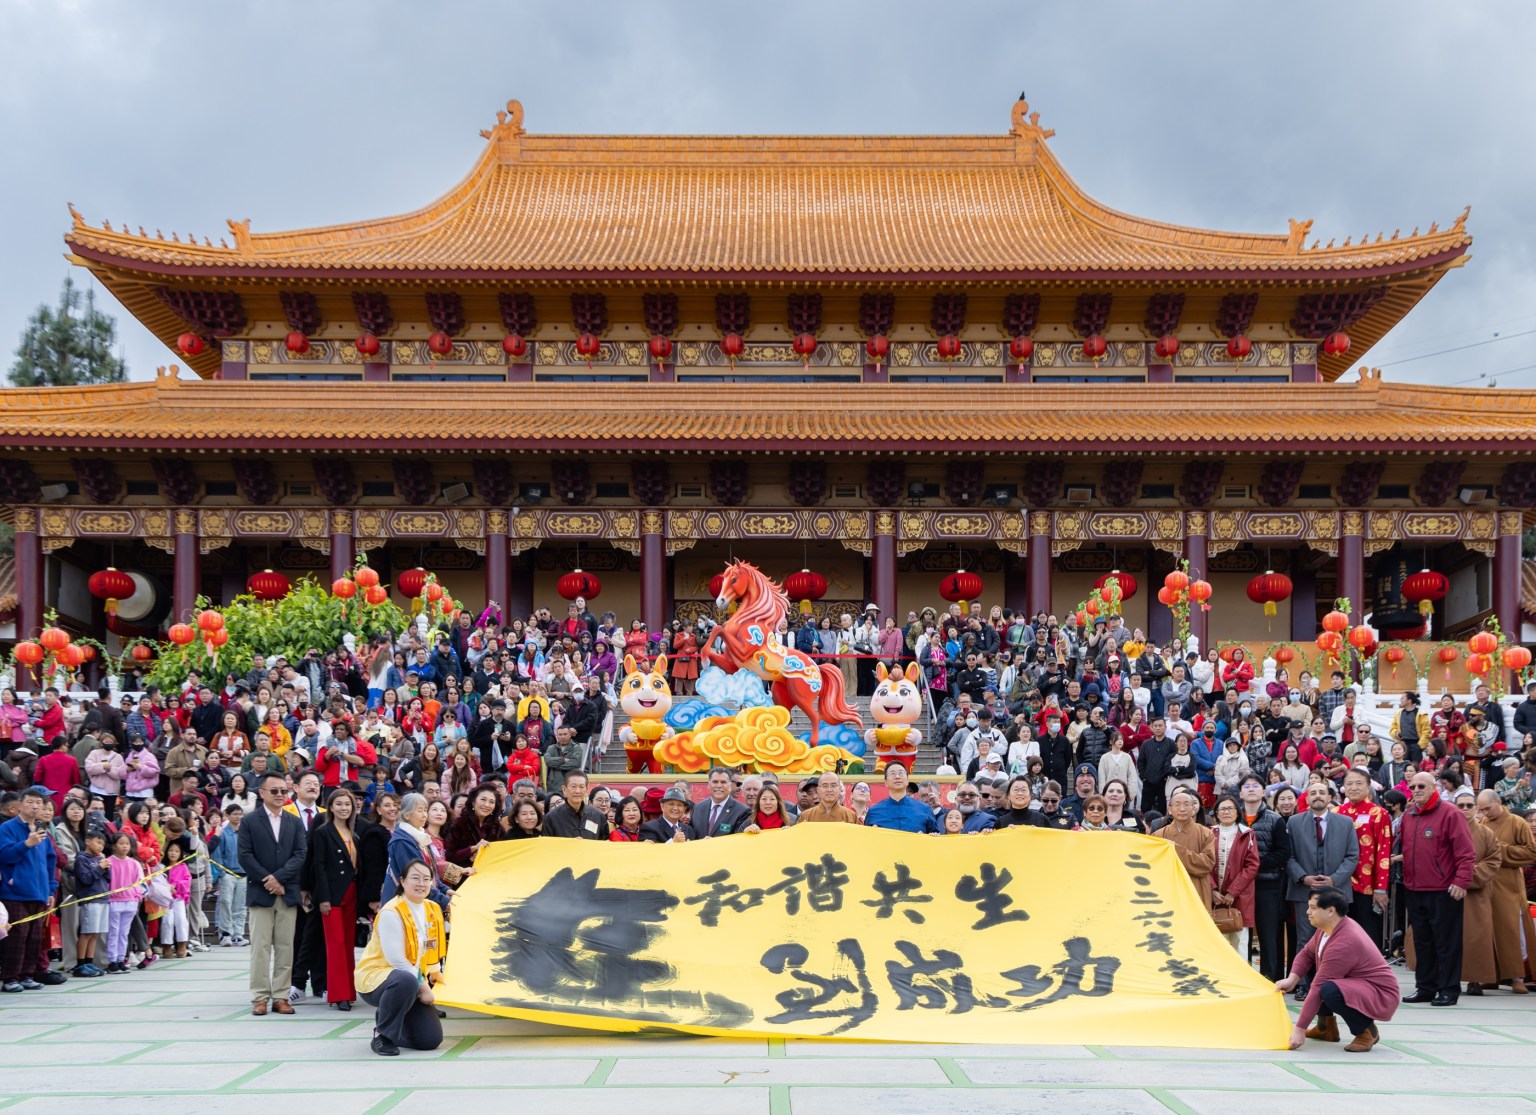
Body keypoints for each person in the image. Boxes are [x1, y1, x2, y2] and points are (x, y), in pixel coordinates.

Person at [1276, 887, 1400, 1053]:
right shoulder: (1327, 929)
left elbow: (1318, 987)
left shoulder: (1345, 941)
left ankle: (1366, 1032)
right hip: (1358, 985)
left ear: (1330, 911)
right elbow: (1306, 953)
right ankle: (1325, 1027)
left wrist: (1299, 1030)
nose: (1307, 912)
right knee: (1319, 969)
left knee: (1329, 990)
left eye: (1313, 908)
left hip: (1380, 993)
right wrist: (1292, 979)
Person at [355, 859, 445, 1057]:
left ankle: (393, 1018)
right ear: (402, 881)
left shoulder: (432, 908)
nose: (421, 883)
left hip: (411, 981)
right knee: (404, 980)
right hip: (379, 980)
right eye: (415, 878)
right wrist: (423, 988)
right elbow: (399, 962)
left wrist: (435, 977)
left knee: (430, 1040)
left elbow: (433, 948)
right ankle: (383, 1035)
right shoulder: (391, 912)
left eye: (426, 879)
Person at [1400, 772, 1476, 1006]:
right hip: (1414, 888)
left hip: (1443, 890)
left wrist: (1461, 881)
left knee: (1446, 942)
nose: (1416, 789)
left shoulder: (1450, 813)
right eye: (1413, 786)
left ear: (1435, 787)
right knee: (1422, 942)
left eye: (1422, 785)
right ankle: (1425, 987)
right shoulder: (1409, 815)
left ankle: (1448, 989)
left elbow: (1466, 852)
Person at [237, 771, 307, 1015]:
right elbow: (244, 855)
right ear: (262, 793)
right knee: (260, 948)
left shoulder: (294, 822)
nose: (280, 795)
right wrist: (268, 879)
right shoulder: (250, 821)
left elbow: (300, 854)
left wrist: (279, 878)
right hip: (261, 893)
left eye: (283, 791)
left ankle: (281, 996)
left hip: (287, 893)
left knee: (286, 947)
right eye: (274, 791)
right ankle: (259, 997)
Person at [1285, 781, 1360, 990]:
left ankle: (1332, 984)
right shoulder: (1294, 822)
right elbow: (1288, 856)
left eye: (1322, 792)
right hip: (1304, 891)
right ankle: (1304, 985)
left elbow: (1352, 856)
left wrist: (1334, 879)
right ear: (1307, 799)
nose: (1317, 796)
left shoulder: (1345, 823)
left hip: (1336, 892)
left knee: (1337, 940)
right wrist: (1302, 877)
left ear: (1329, 797)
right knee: (1305, 940)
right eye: (1313, 793)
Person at [0, 787, 65, 991]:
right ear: (19, 805)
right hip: (14, 892)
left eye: (39, 803)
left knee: (35, 937)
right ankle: (10, 978)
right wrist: (27, 844)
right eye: (30, 802)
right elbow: (4, 855)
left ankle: (27, 975)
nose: (35, 806)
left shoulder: (41, 830)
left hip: (39, 892)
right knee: (17, 936)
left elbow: (50, 863)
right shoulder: (7, 828)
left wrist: (50, 890)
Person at [304, 786, 362, 1011]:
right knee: (335, 945)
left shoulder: (353, 832)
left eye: (347, 804)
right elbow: (318, 866)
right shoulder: (323, 831)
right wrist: (324, 898)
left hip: (351, 892)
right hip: (332, 895)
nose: (344, 808)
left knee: (347, 945)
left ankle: (348, 991)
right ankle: (338, 995)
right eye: (339, 804)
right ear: (330, 807)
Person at [1474, 789, 1536, 994]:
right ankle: (1490, 976)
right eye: (1481, 810)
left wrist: (1499, 849)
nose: (1485, 813)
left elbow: (1531, 852)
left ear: (1499, 802)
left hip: (1509, 885)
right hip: (1486, 883)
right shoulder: (1482, 824)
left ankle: (1516, 976)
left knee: (1511, 931)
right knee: (1488, 931)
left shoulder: (1517, 822)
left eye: (1488, 808)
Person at [1238, 773, 1293, 980]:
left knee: (1269, 932)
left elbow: (1283, 853)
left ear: (1264, 792)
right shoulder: (1233, 817)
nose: (1251, 789)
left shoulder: (1275, 819)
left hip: (1267, 884)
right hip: (1239, 886)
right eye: (1246, 786)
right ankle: (1244, 977)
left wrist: (1253, 865)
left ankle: (1270, 977)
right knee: (1241, 933)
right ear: (1240, 793)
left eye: (1255, 786)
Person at [1337, 768, 1393, 949]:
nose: (1354, 787)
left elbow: (1383, 852)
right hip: (1340, 883)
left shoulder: (1379, 813)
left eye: (1359, 783)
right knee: (1341, 935)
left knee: (1367, 935)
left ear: (1369, 787)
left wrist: (1380, 888)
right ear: (1343, 787)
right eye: (1349, 783)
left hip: (1367, 885)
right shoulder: (1337, 812)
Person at [1210, 793, 1259, 955]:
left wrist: (1233, 891)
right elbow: (1204, 863)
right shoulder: (1209, 833)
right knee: (1217, 940)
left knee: (1240, 938)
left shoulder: (1247, 834)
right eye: (1222, 809)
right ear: (1216, 813)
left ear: (1237, 812)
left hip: (1240, 895)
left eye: (1230, 808)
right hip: (1213, 896)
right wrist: (1212, 889)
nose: (1226, 812)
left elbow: (1252, 866)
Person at [1157, 787, 1215, 910]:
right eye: (1177, 805)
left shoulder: (1205, 833)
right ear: (1170, 809)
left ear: (1193, 809)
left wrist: (1173, 849)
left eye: (1186, 804)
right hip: (1168, 890)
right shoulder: (1158, 835)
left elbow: (1207, 864)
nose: (1182, 809)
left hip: (1196, 890)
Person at [864, 762, 938, 833]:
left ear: (907, 780)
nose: (897, 776)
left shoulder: (925, 809)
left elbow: (935, 839)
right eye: (892, 773)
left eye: (901, 773)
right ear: (886, 783)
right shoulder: (874, 811)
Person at [541, 771, 610, 839]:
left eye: (581, 787)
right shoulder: (551, 818)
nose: (577, 791)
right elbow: (547, 846)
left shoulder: (598, 816)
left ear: (586, 790)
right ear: (564, 789)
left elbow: (604, 845)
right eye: (573, 786)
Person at [690, 767, 751, 837]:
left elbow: (739, 840)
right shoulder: (697, 808)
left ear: (730, 786)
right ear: (709, 785)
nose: (719, 786)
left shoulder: (742, 811)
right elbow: (691, 836)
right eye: (715, 782)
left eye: (723, 782)